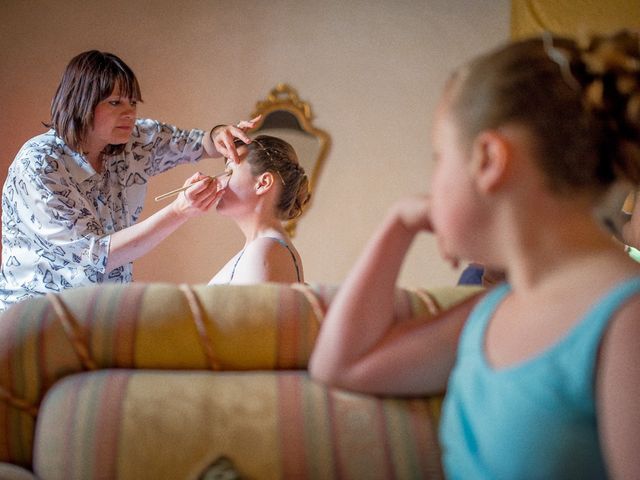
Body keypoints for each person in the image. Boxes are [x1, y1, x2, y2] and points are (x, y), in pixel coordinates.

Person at [310, 30, 640, 479]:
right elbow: (341, 364)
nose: (432, 180)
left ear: (487, 159)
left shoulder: (626, 320)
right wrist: (397, 224)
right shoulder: (496, 308)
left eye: (438, 156)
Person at [0, 50, 258, 312]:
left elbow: (199, 144)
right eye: (115, 103)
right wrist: (180, 211)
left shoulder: (134, 140)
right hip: (32, 321)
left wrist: (220, 134)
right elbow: (97, 256)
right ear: (81, 103)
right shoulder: (40, 163)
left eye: (132, 103)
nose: (129, 114)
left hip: (101, 318)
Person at [208, 135, 309, 285]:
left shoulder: (265, 250)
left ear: (263, 183)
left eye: (229, 172)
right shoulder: (262, 248)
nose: (218, 181)